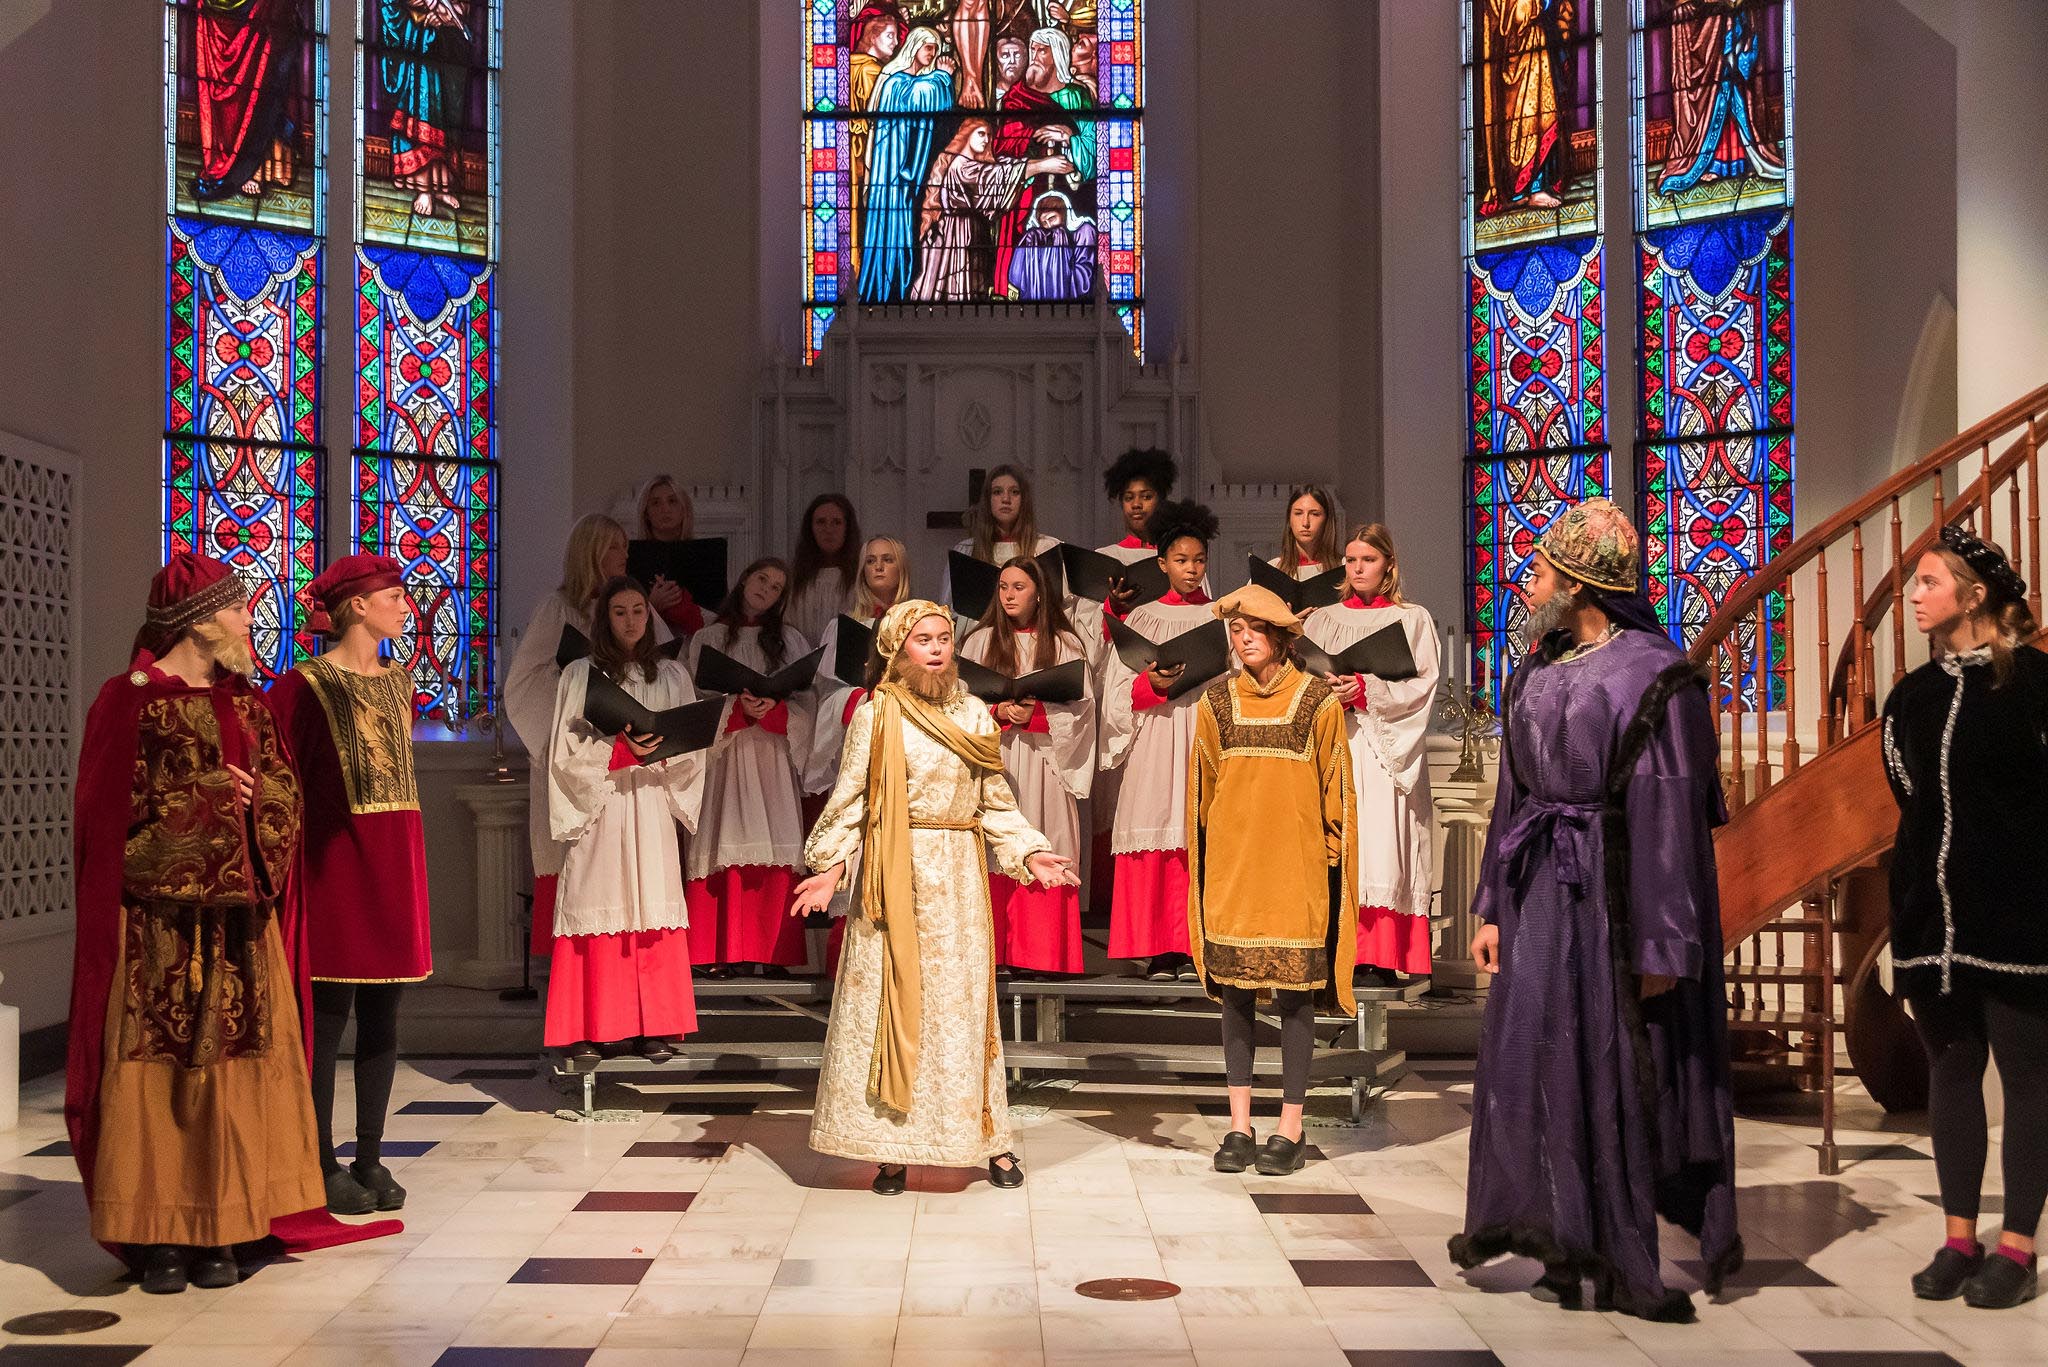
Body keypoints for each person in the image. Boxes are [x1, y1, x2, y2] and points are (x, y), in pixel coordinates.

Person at [66, 554, 396, 1295]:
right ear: (199, 619)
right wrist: (212, 796)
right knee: (160, 1081)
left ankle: (230, 1225)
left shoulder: (247, 702)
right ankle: (161, 1235)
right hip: (159, 931)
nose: (250, 618)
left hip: (241, 931)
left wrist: (257, 803)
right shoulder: (129, 701)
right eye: (238, 606)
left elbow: (283, 790)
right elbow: (107, 818)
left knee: (235, 1077)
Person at [1449, 498, 1740, 1323]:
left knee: (1610, 1068)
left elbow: (1669, 813)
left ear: (1579, 583)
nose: (1527, 581)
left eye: (1541, 570)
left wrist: (1663, 942)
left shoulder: (1652, 674)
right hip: (1538, 893)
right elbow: (1513, 797)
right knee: (1538, 1063)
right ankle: (1558, 1238)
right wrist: (1491, 906)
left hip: (1610, 901)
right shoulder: (1537, 669)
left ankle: (1617, 1249)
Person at [793, 600, 1077, 1195]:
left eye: (944, 638)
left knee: (960, 1013)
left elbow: (995, 801)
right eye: (923, 639)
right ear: (897, 648)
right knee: (891, 1006)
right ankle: (892, 1149)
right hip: (892, 875)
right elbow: (853, 801)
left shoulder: (973, 713)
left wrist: (1030, 852)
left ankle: (987, 1140)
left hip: (957, 880)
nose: (937, 648)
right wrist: (832, 868)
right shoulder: (875, 714)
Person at [1884, 525, 2048, 1310]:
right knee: (1950, 1072)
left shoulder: (2036, 685)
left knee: (2026, 1075)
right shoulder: (1910, 698)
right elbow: (1908, 799)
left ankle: (2017, 1245)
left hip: (2019, 916)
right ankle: (1959, 1239)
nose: (1912, 594)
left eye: (1928, 581)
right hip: (1930, 919)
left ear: (1974, 595)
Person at [266, 554, 431, 1217]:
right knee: (327, 1021)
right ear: (358, 606)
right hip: (334, 867)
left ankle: (369, 1154)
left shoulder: (400, 682)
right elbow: (277, 772)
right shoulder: (303, 685)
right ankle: (318, 1161)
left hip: (394, 862)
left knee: (384, 1017)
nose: (405, 607)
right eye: (395, 597)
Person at [1188, 585, 1357, 1177]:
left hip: (1295, 868)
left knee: (1294, 996)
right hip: (1233, 869)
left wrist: (1327, 855)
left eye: (1255, 629)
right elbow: (1204, 790)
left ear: (1283, 636)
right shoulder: (1215, 702)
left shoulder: (1317, 702)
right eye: (1236, 630)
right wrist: (1212, 858)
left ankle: (1291, 1125)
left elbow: (1335, 788)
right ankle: (1239, 1125)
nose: (1244, 639)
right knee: (1235, 993)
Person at [546, 578, 711, 1064]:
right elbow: (564, 752)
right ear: (604, 619)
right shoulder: (580, 674)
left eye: (639, 610)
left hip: (650, 799)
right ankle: (588, 1028)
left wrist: (662, 748)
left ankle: (651, 1027)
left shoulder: (672, 675)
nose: (632, 620)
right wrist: (618, 749)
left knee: (650, 900)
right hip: (603, 804)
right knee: (597, 897)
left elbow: (692, 748)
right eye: (620, 612)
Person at [504, 515, 670, 960]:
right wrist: (575, 704)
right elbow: (524, 682)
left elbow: (664, 661)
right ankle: (578, 968)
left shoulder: (636, 605)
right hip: (581, 753)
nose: (624, 555)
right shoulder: (558, 608)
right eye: (614, 546)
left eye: (625, 546)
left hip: (634, 762)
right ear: (590, 552)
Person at [1301, 524, 1439, 987]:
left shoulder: (1412, 619)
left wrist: (1365, 689)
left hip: (1383, 746)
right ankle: (1336, 951)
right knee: (1335, 839)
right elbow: (1300, 677)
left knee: (1381, 842)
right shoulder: (1322, 620)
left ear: (1388, 565)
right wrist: (1328, 690)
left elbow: (1422, 687)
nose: (1358, 568)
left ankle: (1379, 956)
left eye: (1369, 560)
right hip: (1335, 740)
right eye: (1351, 560)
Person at [1099, 500, 1221, 981]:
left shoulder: (1221, 616)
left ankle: (1194, 946)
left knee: (1197, 832)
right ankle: (1159, 951)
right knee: (1156, 828)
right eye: (1182, 560)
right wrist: (1151, 684)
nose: (1192, 569)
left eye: (1199, 560)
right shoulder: (1142, 619)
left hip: (1202, 732)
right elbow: (1115, 691)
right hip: (1155, 734)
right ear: (1162, 564)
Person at [960, 556, 1095, 976]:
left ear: (1039, 593)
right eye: (1003, 587)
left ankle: (1041, 954)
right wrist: (998, 711)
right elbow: (958, 705)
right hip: (996, 758)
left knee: (1044, 833)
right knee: (995, 844)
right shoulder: (979, 642)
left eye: (1018, 587)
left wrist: (1036, 715)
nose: (1009, 595)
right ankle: (996, 953)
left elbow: (1084, 710)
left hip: (1044, 760)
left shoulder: (1065, 643)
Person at [684, 559, 813, 977]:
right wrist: (736, 710)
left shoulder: (790, 640)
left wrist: (775, 710)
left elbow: (809, 703)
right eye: (762, 579)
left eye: (776, 587)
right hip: (726, 756)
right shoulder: (708, 638)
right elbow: (689, 702)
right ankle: (723, 951)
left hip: (772, 756)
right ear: (743, 580)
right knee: (724, 838)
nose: (766, 590)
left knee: (772, 840)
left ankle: (771, 954)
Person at [911, 118, 1074, 302]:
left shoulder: (975, 164)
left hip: (974, 234)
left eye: (989, 135)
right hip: (958, 236)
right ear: (966, 135)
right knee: (958, 289)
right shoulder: (960, 166)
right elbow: (991, 177)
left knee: (973, 287)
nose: (986, 140)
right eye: (981, 134)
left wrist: (1036, 153)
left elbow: (1001, 167)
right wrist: (1041, 166)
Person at [859, 26, 954, 302]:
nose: (933, 54)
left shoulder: (915, 80)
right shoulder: (895, 80)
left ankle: (902, 285)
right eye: (928, 48)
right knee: (894, 227)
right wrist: (943, 76)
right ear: (914, 47)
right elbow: (919, 97)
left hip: (912, 169)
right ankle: (887, 289)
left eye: (935, 49)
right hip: (893, 173)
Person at [941, 464, 1063, 620]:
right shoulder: (966, 551)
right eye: (997, 492)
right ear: (988, 500)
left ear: (1024, 500)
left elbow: (1060, 609)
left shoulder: (1046, 548)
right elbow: (948, 612)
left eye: (1014, 492)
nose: (1006, 499)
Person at [786, 493, 863, 646]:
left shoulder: (862, 576)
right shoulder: (794, 578)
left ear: (847, 528)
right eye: (821, 522)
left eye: (836, 522)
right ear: (811, 528)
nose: (828, 529)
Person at [635, 474, 705, 639]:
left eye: (672, 501)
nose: (665, 509)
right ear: (646, 513)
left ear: (684, 509)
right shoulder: (633, 557)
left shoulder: (705, 556)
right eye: (655, 503)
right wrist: (652, 605)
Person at [1006, 189, 1097, 301]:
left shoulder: (1084, 230)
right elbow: (1018, 274)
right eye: (1044, 222)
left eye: (1052, 218)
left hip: (1076, 305)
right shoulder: (1037, 237)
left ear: (1063, 214)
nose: (1049, 225)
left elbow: (1085, 273)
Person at [1270, 485, 1343, 579]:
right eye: (1298, 513)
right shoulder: (1272, 570)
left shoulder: (1345, 567)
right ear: (1289, 519)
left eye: (1314, 514)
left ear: (1326, 520)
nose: (1305, 523)